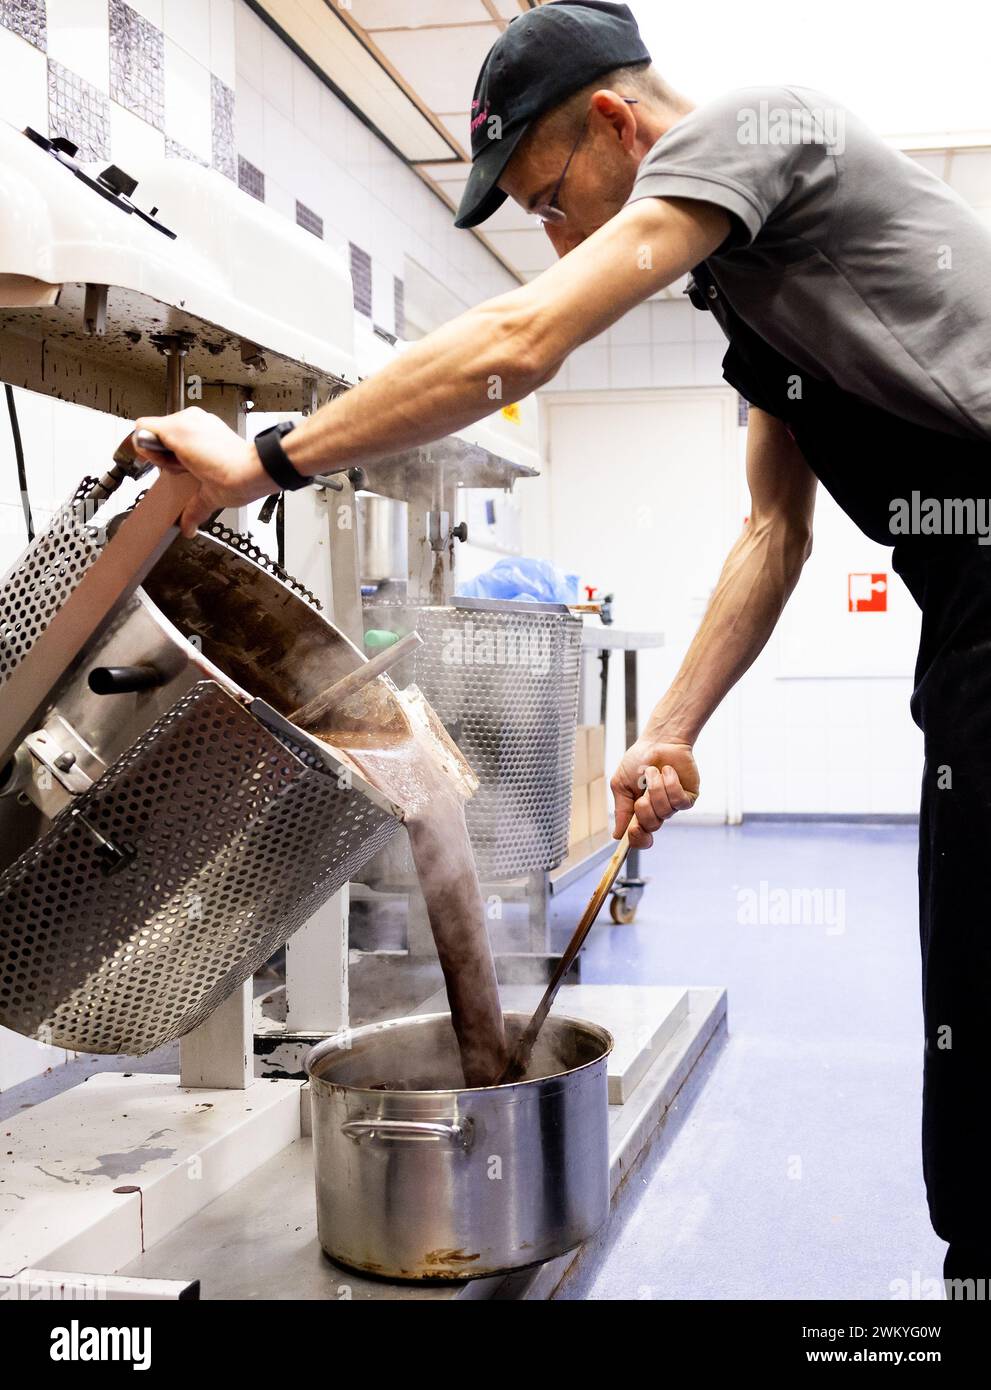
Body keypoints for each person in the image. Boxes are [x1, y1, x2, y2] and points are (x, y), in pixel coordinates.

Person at [134, 1, 991, 1289]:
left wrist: (265, 461)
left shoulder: (754, 135)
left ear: (613, 123)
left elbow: (521, 338)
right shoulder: (753, 305)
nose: (557, 232)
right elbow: (773, 534)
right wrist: (672, 731)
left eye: (548, 198)